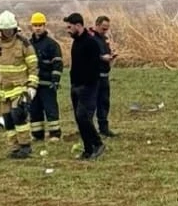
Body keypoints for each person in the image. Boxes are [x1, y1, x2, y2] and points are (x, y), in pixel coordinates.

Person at [0, 10, 39, 159]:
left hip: (20, 87)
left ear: (15, 28)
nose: (8, 33)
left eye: (10, 30)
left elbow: (33, 66)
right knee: (8, 118)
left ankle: (25, 146)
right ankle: (14, 147)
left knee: (18, 114)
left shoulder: (24, 43)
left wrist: (32, 86)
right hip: (3, 88)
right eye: (5, 30)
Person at [64, 13, 104, 161]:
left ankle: (98, 144)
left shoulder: (91, 43)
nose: (67, 30)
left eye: (69, 27)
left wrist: (86, 84)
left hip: (88, 87)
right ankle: (88, 149)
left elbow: (95, 67)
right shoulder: (76, 42)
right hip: (75, 85)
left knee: (83, 116)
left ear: (78, 26)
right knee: (78, 118)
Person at [27, 13, 63, 139]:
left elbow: (57, 64)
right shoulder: (28, 44)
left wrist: (55, 80)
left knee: (50, 110)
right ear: (32, 26)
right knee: (34, 110)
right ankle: (37, 134)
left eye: (40, 25)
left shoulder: (52, 44)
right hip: (32, 85)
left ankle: (55, 134)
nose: (38, 28)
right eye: (35, 25)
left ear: (44, 26)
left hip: (47, 84)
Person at [92, 15, 117, 138]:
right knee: (92, 104)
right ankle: (89, 129)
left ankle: (104, 128)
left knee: (104, 103)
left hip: (105, 76)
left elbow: (105, 53)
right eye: (103, 28)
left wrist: (111, 55)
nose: (105, 31)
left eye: (107, 29)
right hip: (94, 77)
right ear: (96, 25)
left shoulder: (104, 39)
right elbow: (88, 57)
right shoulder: (90, 39)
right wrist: (102, 58)